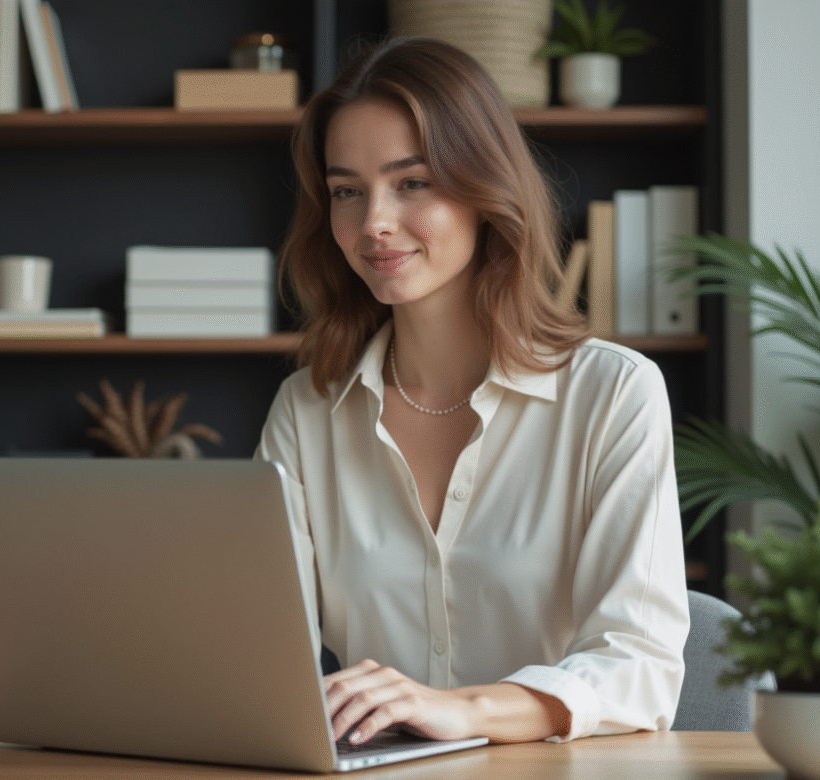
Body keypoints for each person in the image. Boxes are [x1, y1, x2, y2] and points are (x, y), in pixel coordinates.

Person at [255, 36, 689, 746]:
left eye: (413, 182)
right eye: (346, 192)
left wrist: (469, 711)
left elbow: (638, 665)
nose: (374, 224)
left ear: (487, 188)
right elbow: (262, 655)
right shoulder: (307, 412)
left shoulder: (614, 395)